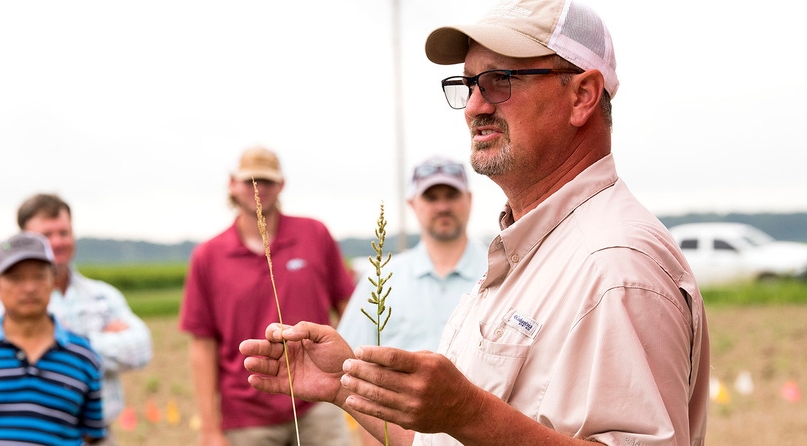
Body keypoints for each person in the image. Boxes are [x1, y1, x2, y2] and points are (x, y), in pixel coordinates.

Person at [240, 1, 710, 445]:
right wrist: (343, 383)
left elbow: (471, 424)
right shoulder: (532, 248)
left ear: (583, 95)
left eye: (500, 80)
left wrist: (468, 411)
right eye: (468, 85)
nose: (474, 107)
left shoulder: (617, 266)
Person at [179, 146, 356, 446]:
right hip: (246, 416)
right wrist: (209, 428)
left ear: (282, 184)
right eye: (249, 181)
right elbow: (203, 345)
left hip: (319, 402)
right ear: (232, 184)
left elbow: (349, 307)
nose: (258, 189)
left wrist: (354, 378)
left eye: (267, 181)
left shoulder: (315, 234)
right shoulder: (207, 256)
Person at [0, 194, 152, 445]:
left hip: (98, 436)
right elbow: (2, 362)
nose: (57, 242)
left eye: (64, 232)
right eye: (47, 235)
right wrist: (99, 342)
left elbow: (141, 348)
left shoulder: (101, 295)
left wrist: (68, 344)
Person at [0, 232, 105, 445]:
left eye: (39, 276)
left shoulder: (84, 357)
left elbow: (91, 434)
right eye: (15, 278)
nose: (29, 287)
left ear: (53, 281)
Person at [339, 157, 487, 353]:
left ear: (469, 199)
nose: (442, 207)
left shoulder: (502, 273)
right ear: (412, 203)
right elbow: (348, 357)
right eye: (431, 197)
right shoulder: (380, 279)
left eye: (452, 195)